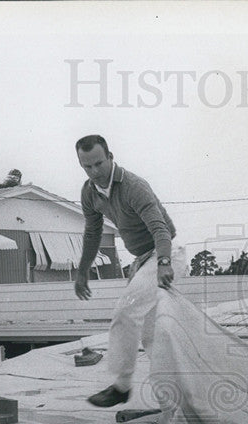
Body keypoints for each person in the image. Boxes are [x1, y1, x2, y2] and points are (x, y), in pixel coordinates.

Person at [73, 135, 177, 407]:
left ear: (110, 157)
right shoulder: (89, 192)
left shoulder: (133, 186)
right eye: (87, 167)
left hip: (165, 253)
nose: (94, 172)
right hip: (142, 260)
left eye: (98, 163)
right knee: (152, 334)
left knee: (126, 311)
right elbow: (93, 232)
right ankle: (172, 400)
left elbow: (160, 230)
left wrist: (164, 263)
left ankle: (121, 387)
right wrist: (83, 270)